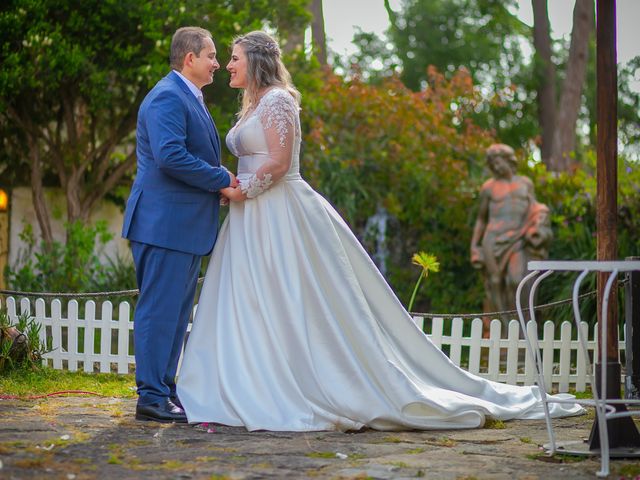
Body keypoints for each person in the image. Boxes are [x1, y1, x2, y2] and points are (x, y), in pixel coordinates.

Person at [176, 31, 580, 431]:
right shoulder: (252, 105)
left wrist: (241, 189)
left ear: (256, 62)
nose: (228, 65)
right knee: (250, 299)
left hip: (280, 213)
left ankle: (299, 381)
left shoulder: (279, 100)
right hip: (250, 217)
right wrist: (235, 190)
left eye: (234, 58)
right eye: (226, 58)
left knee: (291, 297)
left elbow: (280, 163)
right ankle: (251, 378)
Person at [122, 27, 237, 423]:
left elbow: (185, 157)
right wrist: (221, 179)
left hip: (183, 226)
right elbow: (170, 157)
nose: (218, 63)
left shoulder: (190, 97)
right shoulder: (168, 97)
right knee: (159, 311)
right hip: (163, 224)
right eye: (211, 55)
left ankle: (165, 390)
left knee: (175, 313)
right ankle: (151, 397)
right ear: (190, 58)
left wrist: (215, 182)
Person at [470, 144, 552, 323]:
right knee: (495, 282)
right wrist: (474, 246)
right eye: (493, 165)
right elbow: (481, 219)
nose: (496, 167)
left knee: (516, 280)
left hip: (517, 239)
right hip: (492, 240)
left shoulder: (525, 183)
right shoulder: (488, 188)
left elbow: (535, 208)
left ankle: (521, 325)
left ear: (508, 160)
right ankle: (504, 325)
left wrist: (539, 221)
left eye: (498, 163)